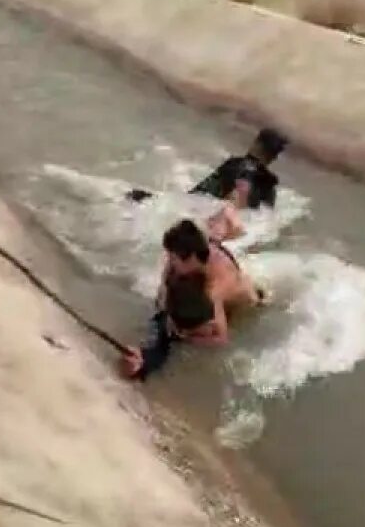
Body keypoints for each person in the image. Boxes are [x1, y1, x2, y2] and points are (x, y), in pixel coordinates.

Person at [119, 218, 263, 380]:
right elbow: (164, 291)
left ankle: (144, 364)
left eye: (173, 259)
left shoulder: (216, 286)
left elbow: (221, 338)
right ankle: (145, 359)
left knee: (189, 327)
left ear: (191, 258)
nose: (170, 262)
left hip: (245, 305)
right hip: (213, 270)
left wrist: (186, 337)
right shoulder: (183, 260)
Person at [124, 127, 289, 208]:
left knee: (136, 196)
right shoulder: (270, 187)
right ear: (274, 156)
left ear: (256, 143)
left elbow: (200, 195)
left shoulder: (235, 165)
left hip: (202, 215)